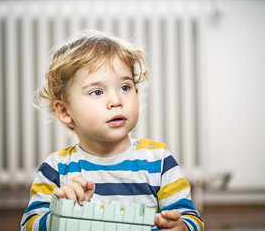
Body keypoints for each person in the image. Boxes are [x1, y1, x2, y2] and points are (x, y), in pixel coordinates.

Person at [21, 30, 204, 231]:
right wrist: (59, 211)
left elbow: (191, 218)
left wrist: (182, 227)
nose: (116, 101)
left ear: (136, 92)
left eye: (125, 87)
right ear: (65, 111)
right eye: (97, 92)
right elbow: (29, 225)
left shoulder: (158, 161)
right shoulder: (56, 168)